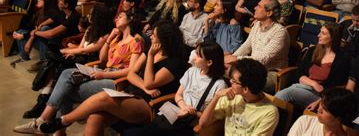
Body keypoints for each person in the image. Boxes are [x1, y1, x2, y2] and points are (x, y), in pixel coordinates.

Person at [38, 20, 187, 135]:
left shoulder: (174, 62)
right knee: (95, 119)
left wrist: (150, 57)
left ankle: (63, 121)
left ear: (164, 39)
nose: (151, 37)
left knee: (104, 97)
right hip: (134, 94)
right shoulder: (150, 50)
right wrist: (144, 87)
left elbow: (149, 82)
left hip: (151, 106)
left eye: (154, 35)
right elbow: (131, 74)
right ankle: (61, 121)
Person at [13, 10, 144, 135]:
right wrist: (109, 39)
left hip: (117, 81)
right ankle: (52, 128)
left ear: (130, 19)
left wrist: (104, 74)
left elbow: (131, 70)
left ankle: (44, 124)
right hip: (103, 71)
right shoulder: (116, 38)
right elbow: (103, 59)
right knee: (66, 74)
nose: (116, 18)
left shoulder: (136, 41)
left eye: (120, 16)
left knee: (65, 90)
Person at [276, 22, 350, 111]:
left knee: (286, 93)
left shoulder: (342, 59)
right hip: (305, 87)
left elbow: (336, 88)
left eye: (323, 33)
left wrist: (320, 101)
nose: (318, 35)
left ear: (333, 37)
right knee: (289, 91)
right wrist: (314, 84)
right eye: (320, 32)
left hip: (321, 96)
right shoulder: (313, 51)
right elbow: (298, 73)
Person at [226, 0, 289, 93]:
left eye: (259, 6)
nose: (255, 8)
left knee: (242, 82)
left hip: (271, 72)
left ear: (269, 13)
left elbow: (262, 59)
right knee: (221, 70)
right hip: (254, 67)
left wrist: (236, 59)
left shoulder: (280, 32)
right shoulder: (257, 25)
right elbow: (246, 46)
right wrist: (232, 59)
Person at [199, 59, 279, 135]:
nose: (230, 81)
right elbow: (203, 123)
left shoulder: (269, 112)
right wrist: (216, 97)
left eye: (233, 81)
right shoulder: (232, 96)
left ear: (245, 89)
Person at [288, 87, 358, 136]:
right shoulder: (305, 121)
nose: (319, 109)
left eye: (325, 109)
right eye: (320, 104)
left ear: (339, 117)